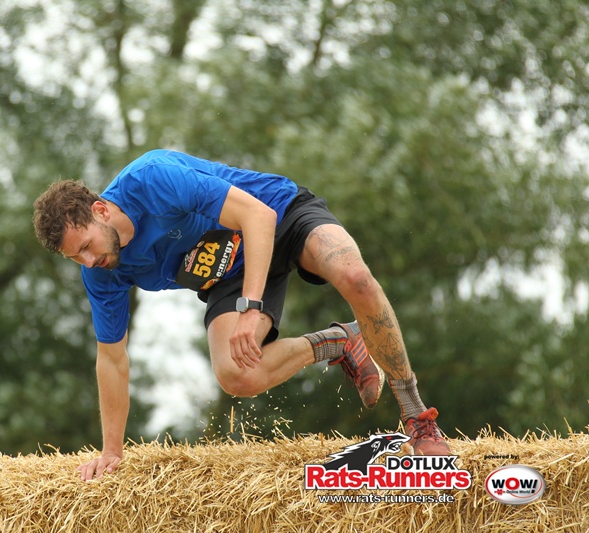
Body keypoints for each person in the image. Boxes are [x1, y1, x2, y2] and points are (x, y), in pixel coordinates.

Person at [32, 149, 450, 481]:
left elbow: (257, 216)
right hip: (230, 275)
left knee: (356, 278)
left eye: (86, 247)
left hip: (280, 215)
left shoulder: (152, 179)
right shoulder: (102, 273)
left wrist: (251, 308)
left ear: (101, 211)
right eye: (75, 258)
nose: (88, 261)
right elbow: (111, 358)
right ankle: (341, 342)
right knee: (236, 375)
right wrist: (111, 452)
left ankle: (416, 416)